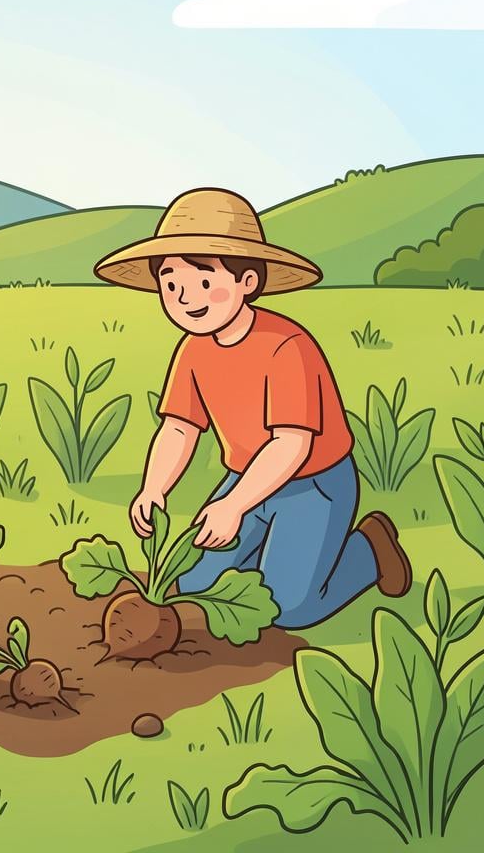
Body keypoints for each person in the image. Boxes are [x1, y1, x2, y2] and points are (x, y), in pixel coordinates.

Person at [93, 187, 411, 628]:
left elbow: (291, 445)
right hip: (243, 474)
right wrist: (154, 488)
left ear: (247, 282)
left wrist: (234, 506)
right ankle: (272, 548)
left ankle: (368, 551)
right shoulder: (193, 351)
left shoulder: (287, 346)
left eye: (203, 281)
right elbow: (179, 429)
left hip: (313, 482)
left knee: (288, 609)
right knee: (193, 586)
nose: (185, 297)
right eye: (170, 283)